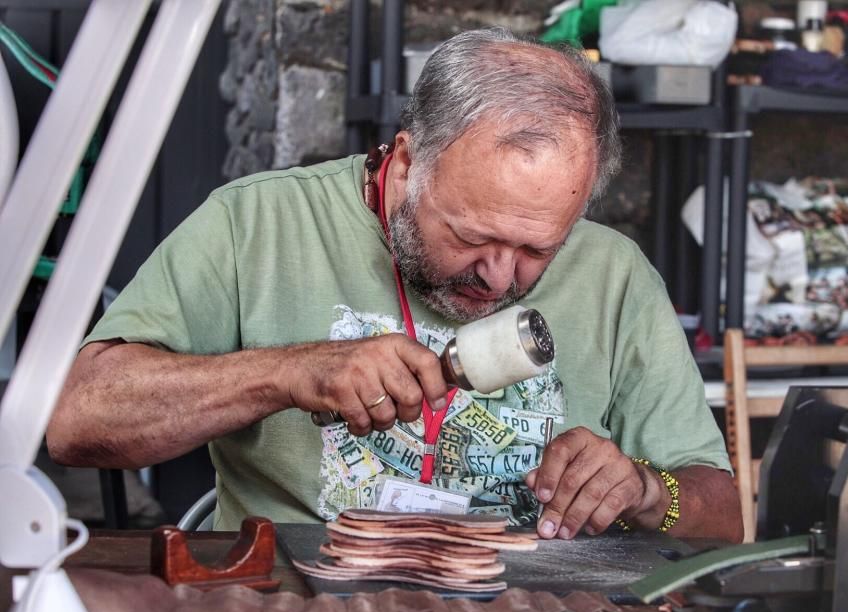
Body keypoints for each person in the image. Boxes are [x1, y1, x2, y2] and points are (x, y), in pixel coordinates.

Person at [47, 28, 742, 543]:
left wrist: (650, 490)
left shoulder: (616, 275)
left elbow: (726, 515)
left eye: (538, 248)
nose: (499, 275)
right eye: (471, 236)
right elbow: (78, 421)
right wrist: (289, 373)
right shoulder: (256, 222)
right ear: (407, 163)